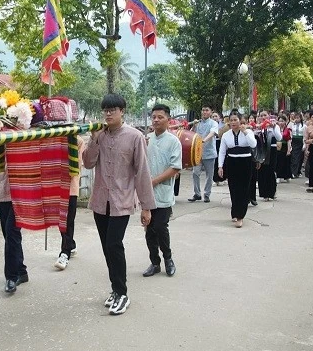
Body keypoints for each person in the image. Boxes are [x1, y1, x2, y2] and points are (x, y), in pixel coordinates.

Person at [82, 94, 155, 316]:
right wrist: (93, 139)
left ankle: (122, 293)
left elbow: (142, 171)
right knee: (107, 248)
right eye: (105, 109)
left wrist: (146, 206)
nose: (108, 113)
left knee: (114, 244)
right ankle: (115, 289)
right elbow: (87, 162)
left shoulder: (135, 137)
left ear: (122, 111)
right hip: (100, 201)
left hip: (121, 201)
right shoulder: (99, 136)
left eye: (113, 109)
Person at [143, 104, 182, 277]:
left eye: (160, 117)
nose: (156, 120)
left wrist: (154, 181)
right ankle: (154, 262)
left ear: (168, 119)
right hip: (146, 192)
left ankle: (168, 259)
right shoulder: (146, 139)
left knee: (160, 227)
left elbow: (175, 168)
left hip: (163, 191)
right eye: (154, 117)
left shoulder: (174, 141)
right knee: (148, 229)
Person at [0, 153, 28, 291]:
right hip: (4, 195)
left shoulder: (22, 136)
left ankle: (11, 277)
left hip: (21, 194)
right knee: (9, 235)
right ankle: (21, 271)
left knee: (11, 232)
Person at [217, 114, 256, 228]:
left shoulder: (248, 132)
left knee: (244, 189)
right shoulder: (226, 135)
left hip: (245, 163)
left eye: (235, 120)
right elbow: (222, 152)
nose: (233, 122)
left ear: (240, 121)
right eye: (231, 120)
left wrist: (245, 132)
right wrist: (220, 166)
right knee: (233, 189)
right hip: (232, 163)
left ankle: (240, 216)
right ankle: (235, 212)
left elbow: (253, 144)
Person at [54, 137, 82, 270]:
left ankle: (64, 253)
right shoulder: (52, 138)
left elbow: (77, 165)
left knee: (68, 221)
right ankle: (71, 244)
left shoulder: (78, 141)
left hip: (70, 187)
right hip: (55, 188)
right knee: (60, 221)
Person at [186, 105, 219, 203]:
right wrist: (194, 126)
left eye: (207, 110)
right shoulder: (198, 123)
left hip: (209, 153)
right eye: (203, 110)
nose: (204, 112)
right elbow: (190, 134)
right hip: (197, 153)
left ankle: (207, 194)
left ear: (211, 112)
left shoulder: (213, 123)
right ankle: (197, 194)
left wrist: (204, 140)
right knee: (195, 173)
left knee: (209, 175)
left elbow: (213, 133)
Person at [274, 115, 292, 183]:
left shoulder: (287, 130)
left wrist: (289, 149)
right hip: (277, 147)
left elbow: (289, 140)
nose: (281, 122)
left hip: (284, 147)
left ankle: (286, 176)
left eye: (282, 121)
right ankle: (278, 176)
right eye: (280, 121)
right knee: (278, 162)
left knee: (286, 162)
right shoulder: (276, 129)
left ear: (285, 122)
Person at [287, 112, 305, 178]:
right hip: (294, 141)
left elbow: (305, 136)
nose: (296, 119)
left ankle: (297, 171)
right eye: (295, 118)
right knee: (294, 157)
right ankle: (293, 172)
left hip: (300, 141)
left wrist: (304, 145)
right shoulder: (292, 125)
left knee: (300, 157)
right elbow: (289, 132)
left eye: (298, 118)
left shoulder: (304, 125)